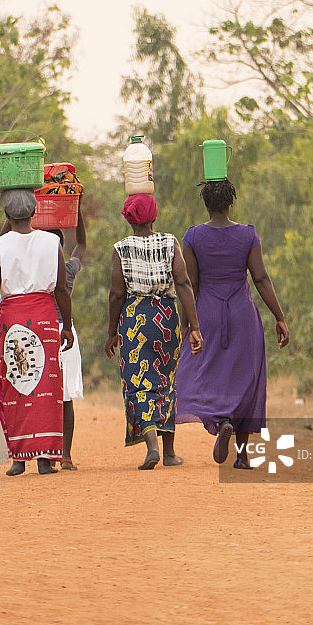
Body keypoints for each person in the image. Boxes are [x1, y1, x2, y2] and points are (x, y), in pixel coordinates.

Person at [175, 179, 289, 469]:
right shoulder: (248, 235)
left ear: (206, 205)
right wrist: (279, 316)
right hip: (242, 314)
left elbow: (191, 283)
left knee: (208, 373)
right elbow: (261, 278)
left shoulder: (193, 237)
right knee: (248, 379)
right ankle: (242, 454)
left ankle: (221, 419)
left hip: (208, 313)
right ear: (231, 203)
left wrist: (188, 323)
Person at [0, 188, 73, 476]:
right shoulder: (53, 242)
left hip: (13, 321)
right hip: (45, 319)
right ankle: (45, 458)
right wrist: (68, 326)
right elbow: (62, 289)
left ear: (6, 215)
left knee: (15, 383)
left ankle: (19, 457)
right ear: (35, 211)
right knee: (45, 388)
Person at [105, 193, 203, 470]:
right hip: (167, 316)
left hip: (135, 316)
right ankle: (170, 453)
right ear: (155, 215)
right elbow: (184, 284)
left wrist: (112, 331)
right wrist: (194, 327)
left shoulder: (120, 248)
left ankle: (152, 446)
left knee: (138, 380)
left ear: (127, 218)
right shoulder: (170, 242)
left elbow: (116, 294)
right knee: (167, 380)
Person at [49, 197, 86, 471]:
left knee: (43, 395)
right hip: (65, 332)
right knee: (65, 397)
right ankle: (65, 455)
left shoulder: (39, 269)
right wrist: (78, 210)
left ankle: (43, 452)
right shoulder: (69, 267)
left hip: (41, 332)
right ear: (61, 246)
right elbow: (81, 244)